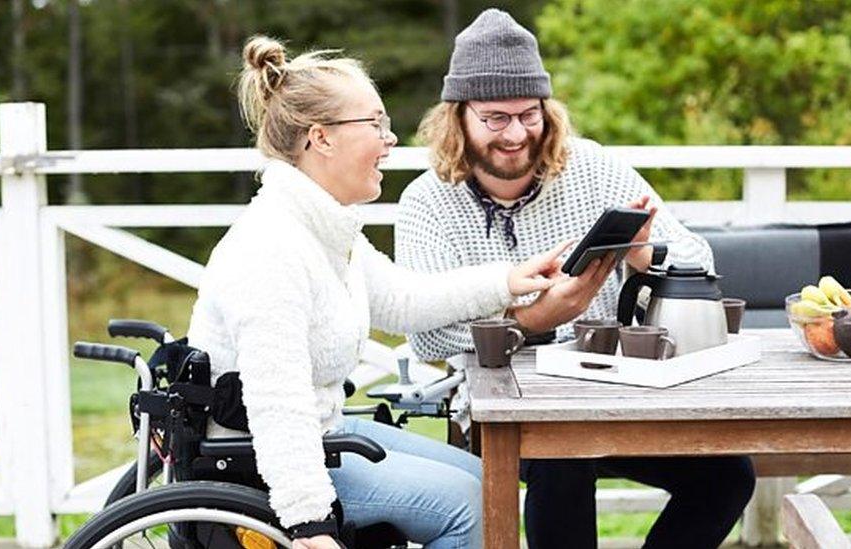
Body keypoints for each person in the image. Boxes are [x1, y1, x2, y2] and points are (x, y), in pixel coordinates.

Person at [187, 35, 569, 549]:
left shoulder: (324, 227)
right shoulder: (272, 248)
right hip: (258, 462)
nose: (390, 140)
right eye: (376, 124)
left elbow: (403, 300)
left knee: (489, 481)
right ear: (321, 138)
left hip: (319, 434)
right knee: (470, 505)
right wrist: (310, 524)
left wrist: (508, 280)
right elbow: (277, 404)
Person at [396, 9, 756, 549]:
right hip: (504, 409)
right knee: (561, 457)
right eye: (496, 117)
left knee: (729, 477)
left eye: (529, 114)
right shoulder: (426, 201)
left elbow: (695, 256)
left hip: (616, 391)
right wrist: (531, 320)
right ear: (459, 117)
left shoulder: (589, 166)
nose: (516, 133)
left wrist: (644, 253)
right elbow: (426, 335)